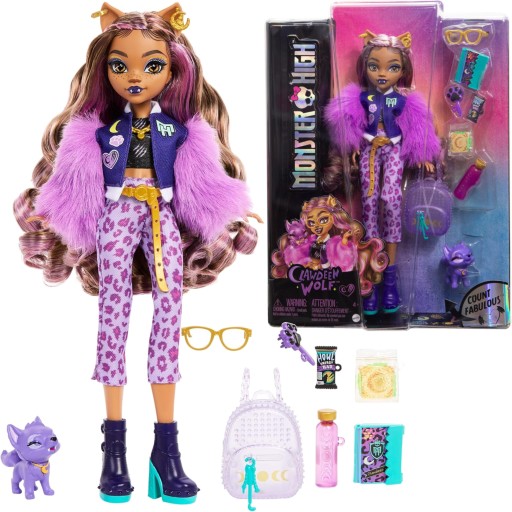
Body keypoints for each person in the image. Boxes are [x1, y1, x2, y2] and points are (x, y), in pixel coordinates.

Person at [13, 3, 258, 504]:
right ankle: (114, 449)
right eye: (119, 65)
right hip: (117, 212)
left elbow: (205, 187)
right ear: (104, 70)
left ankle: (166, 450)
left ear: (173, 72)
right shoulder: (96, 133)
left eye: (152, 65)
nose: (135, 76)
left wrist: (230, 213)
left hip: (161, 214)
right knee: (112, 312)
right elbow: (71, 187)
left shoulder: (181, 133)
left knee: (170, 311)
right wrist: (51, 212)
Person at [325, 30, 440, 313]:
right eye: (374, 66)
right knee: (368, 202)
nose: (382, 73)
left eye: (393, 67)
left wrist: (423, 155)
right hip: (369, 149)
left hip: (394, 149)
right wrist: (353, 143)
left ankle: (390, 280)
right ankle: (371, 276)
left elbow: (419, 128)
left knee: (391, 200)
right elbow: (347, 122)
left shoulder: (403, 100)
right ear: (365, 67)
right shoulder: (362, 98)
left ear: (403, 70)